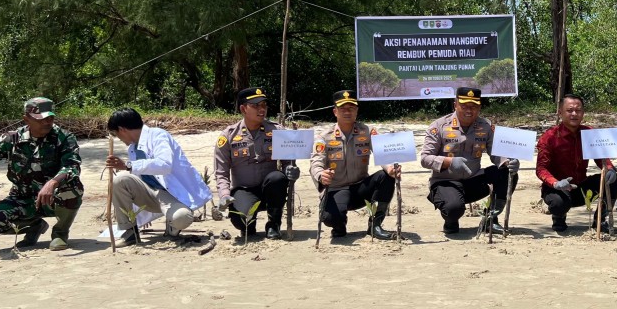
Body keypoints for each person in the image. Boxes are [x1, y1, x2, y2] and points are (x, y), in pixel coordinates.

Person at [0, 97, 83, 251]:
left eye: (50, 118)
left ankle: (60, 233)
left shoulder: (64, 138)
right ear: (26, 119)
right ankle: (32, 227)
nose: (47, 122)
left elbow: (72, 166)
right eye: (41, 119)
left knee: (73, 187)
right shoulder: (12, 138)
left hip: (53, 198)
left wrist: (52, 183)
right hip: (22, 199)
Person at [105, 108, 212, 247]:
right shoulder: (132, 148)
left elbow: (164, 165)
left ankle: (172, 225)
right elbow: (138, 179)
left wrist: (128, 165)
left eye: (116, 134)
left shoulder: (158, 136)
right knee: (120, 180)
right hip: (151, 193)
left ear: (122, 129)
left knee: (182, 218)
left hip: (172, 194)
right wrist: (138, 213)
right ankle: (129, 232)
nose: (118, 138)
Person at [420, 87, 519, 234]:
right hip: (446, 182)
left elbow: (496, 153)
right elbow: (425, 158)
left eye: (473, 106)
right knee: (453, 209)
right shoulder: (438, 126)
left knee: (507, 174)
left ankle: (490, 219)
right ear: (455, 105)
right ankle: (451, 220)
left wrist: (507, 162)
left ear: (479, 107)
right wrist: (449, 162)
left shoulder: (485, 126)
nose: (469, 110)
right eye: (464, 106)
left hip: (473, 179)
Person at [309, 90, 399, 240]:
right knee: (330, 218)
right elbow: (316, 162)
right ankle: (339, 224)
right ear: (335, 111)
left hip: (361, 187)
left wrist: (389, 167)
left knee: (386, 176)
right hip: (337, 189)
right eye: (343, 109)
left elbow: (381, 153)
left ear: (356, 110)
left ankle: (375, 225)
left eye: (351, 108)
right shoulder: (324, 136)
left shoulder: (367, 131)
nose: (347, 112)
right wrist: (321, 175)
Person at [213, 87, 299, 240]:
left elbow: (288, 162)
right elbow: (221, 172)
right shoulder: (228, 136)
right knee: (241, 221)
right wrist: (224, 195)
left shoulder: (277, 131)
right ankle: (249, 224)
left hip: (270, 190)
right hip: (244, 190)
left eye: (264, 105)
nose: (262, 109)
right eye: (255, 106)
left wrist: (291, 170)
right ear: (243, 109)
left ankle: (273, 225)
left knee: (277, 178)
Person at [536, 94, 617, 232]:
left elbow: (602, 159)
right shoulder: (549, 137)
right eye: (569, 110)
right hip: (558, 189)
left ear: (583, 113)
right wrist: (555, 183)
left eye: (578, 110)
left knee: (614, 180)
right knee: (558, 203)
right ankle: (559, 217)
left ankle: (600, 220)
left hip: (581, 186)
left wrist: (609, 169)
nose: (574, 114)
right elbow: (541, 169)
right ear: (560, 113)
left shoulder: (590, 133)